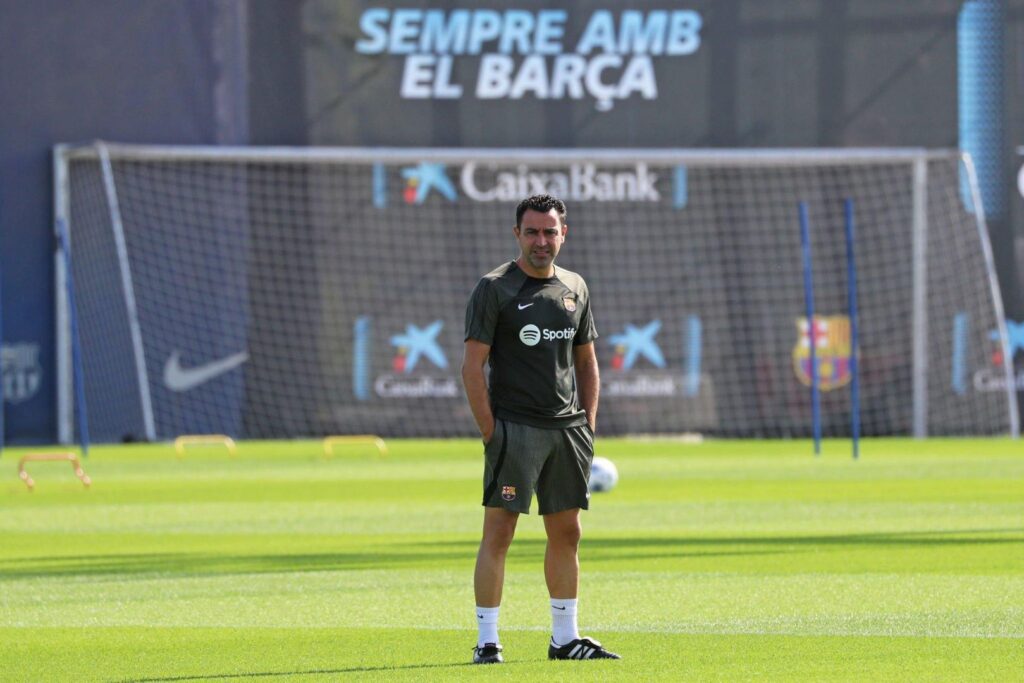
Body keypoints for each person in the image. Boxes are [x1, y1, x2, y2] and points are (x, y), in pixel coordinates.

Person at [462, 194, 620, 664]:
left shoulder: (575, 287)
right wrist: (492, 431)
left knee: (567, 532)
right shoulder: (495, 289)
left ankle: (564, 638)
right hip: (515, 429)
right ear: (517, 235)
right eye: (532, 232)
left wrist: (588, 425)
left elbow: (587, 361)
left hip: (567, 430)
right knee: (500, 531)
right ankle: (488, 641)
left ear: (563, 234)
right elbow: (473, 367)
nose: (541, 241)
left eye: (550, 232)